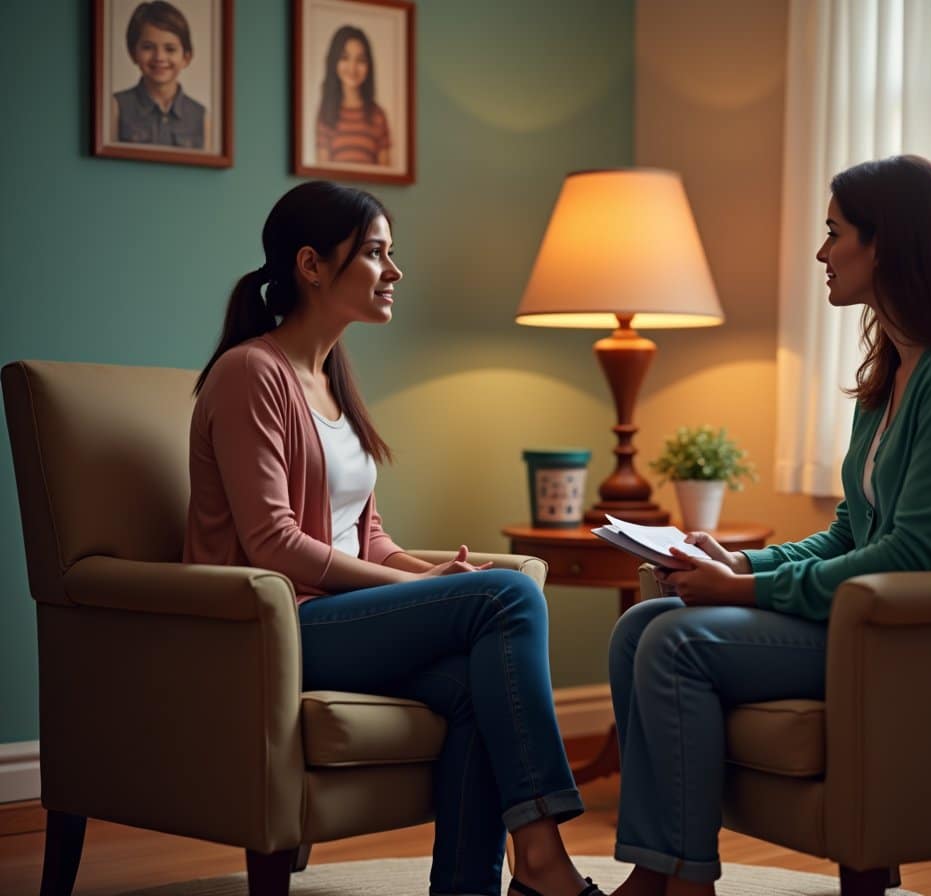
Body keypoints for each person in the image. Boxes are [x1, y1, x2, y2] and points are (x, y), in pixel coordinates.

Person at [606, 154, 931, 896]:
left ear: (886, 245)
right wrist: (742, 564)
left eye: (834, 232)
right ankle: (655, 875)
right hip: (867, 620)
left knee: (675, 640)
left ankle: (686, 885)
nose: (821, 253)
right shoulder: (892, 372)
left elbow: (911, 554)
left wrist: (743, 592)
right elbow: (852, 533)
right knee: (638, 627)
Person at [184, 181, 601, 896]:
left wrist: (422, 576)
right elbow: (273, 544)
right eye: (376, 253)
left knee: (480, 684)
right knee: (507, 595)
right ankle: (541, 862)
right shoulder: (250, 373)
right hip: (274, 629)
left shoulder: (331, 378)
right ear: (312, 266)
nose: (395, 271)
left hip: (336, 620)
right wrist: (422, 588)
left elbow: (367, 536)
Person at [113, 1, 206, 149]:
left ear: (186, 57)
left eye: (170, 49)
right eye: (148, 47)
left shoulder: (201, 117)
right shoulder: (115, 107)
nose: (159, 57)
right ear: (133, 53)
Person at [315, 25, 392, 166]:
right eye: (345, 58)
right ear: (334, 62)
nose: (352, 68)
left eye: (360, 60)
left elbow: (385, 168)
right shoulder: (326, 113)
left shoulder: (378, 115)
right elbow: (321, 167)